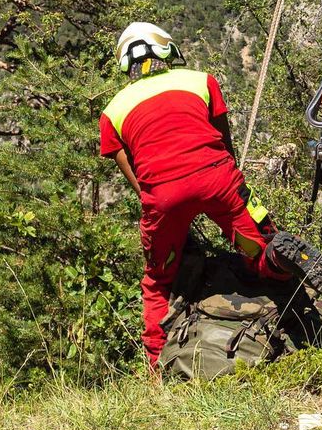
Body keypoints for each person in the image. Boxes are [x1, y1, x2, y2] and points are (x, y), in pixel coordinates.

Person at [99, 22, 290, 366]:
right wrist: (228, 180)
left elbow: (135, 176)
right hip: (217, 178)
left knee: (158, 280)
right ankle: (286, 293)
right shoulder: (201, 80)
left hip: (164, 196)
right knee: (261, 245)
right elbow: (224, 140)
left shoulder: (113, 110)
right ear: (167, 50)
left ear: (125, 62)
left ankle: (157, 364)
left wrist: (165, 204)